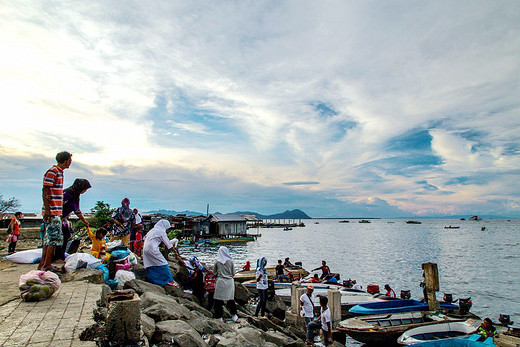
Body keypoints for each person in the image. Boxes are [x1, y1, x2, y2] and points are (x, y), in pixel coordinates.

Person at [39, 151, 72, 272]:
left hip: (55, 210)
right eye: (70, 160)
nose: (70, 163)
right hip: (53, 210)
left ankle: (43, 264)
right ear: (66, 160)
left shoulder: (59, 172)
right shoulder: (53, 171)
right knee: (53, 238)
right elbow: (45, 190)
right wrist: (48, 209)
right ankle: (47, 264)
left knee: (49, 238)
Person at [54, 178, 91, 261]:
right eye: (84, 189)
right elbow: (76, 210)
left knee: (65, 236)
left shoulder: (74, 194)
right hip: (57, 218)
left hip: (62, 218)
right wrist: (84, 221)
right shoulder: (69, 194)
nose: (85, 191)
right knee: (61, 237)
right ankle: (57, 256)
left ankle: (60, 255)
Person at [142, 219, 176, 286]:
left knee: (150, 263)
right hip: (152, 249)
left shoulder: (152, 230)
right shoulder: (161, 232)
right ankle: (169, 280)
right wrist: (175, 251)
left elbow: (144, 238)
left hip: (145, 248)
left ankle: (153, 280)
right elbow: (168, 244)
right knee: (163, 263)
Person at [213, 246, 238, 322]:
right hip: (229, 282)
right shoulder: (230, 261)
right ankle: (234, 315)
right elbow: (233, 273)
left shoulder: (217, 261)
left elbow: (214, 272)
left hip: (220, 281)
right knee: (230, 300)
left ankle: (219, 317)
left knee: (218, 300)